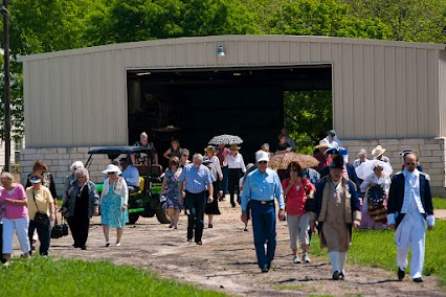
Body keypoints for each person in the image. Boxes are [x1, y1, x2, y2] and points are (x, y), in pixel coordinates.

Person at [308, 155, 361, 280]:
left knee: (343, 246)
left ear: (342, 171)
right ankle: (335, 270)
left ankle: (341, 269)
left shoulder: (350, 186)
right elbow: (315, 204)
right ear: (330, 170)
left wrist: (356, 219)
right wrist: (312, 219)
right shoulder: (321, 185)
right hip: (327, 221)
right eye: (334, 170)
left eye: (339, 170)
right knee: (333, 245)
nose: (336, 172)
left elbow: (356, 204)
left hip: (344, 221)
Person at [387, 153, 434, 283]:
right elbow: (391, 200)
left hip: (419, 216)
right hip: (403, 217)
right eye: (408, 163)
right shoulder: (397, 178)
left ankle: (416, 273)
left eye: (413, 163)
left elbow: (428, 200)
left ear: (417, 163)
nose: (410, 166)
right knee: (402, 247)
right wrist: (391, 219)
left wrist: (430, 219)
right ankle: (401, 266)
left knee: (419, 246)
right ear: (404, 163)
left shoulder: (424, 178)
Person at [240, 151, 285, 273]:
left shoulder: (273, 175)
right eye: (261, 162)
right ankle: (262, 263)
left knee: (271, 236)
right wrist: (243, 211)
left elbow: (279, 192)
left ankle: (269, 259)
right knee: (258, 236)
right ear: (257, 163)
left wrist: (282, 208)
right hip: (256, 207)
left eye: (265, 162)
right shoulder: (250, 177)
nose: (263, 164)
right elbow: (245, 195)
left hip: (270, 206)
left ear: (268, 162)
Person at [282, 163, 315, 264]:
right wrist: (291, 184)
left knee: (304, 231)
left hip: (303, 211)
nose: (293, 173)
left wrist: (310, 194)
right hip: (291, 211)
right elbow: (283, 194)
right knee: (293, 233)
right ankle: (295, 255)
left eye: (295, 170)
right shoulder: (286, 182)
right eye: (291, 170)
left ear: (299, 171)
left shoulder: (304, 181)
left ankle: (305, 254)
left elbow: (312, 188)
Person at [178, 154, 213, 245]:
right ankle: (190, 235)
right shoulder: (187, 168)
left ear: (201, 162)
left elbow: (209, 183)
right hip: (189, 195)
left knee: (200, 219)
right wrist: (181, 191)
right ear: (193, 160)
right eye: (196, 161)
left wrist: (211, 195)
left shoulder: (205, 170)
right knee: (191, 215)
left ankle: (198, 239)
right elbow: (181, 180)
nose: (197, 163)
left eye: (199, 162)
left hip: (201, 195)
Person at [62, 168, 99, 250]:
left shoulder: (91, 185)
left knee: (84, 227)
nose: (81, 179)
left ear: (86, 177)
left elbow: (95, 197)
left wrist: (96, 207)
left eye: (83, 177)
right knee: (74, 226)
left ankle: (82, 243)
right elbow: (67, 196)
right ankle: (77, 242)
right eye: (79, 177)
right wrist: (64, 207)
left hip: (86, 209)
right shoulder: (73, 185)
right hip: (74, 208)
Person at [0, 173, 30, 263]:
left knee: (22, 236)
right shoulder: (2, 191)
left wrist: (12, 201)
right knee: (6, 237)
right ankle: (7, 258)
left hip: (20, 216)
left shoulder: (19, 187)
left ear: (10, 180)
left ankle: (26, 254)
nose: (3, 185)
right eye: (2, 182)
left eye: (5, 182)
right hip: (7, 217)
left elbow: (25, 202)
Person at [100, 164, 129, 247]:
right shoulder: (106, 181)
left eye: (113, 173)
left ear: (117, 173)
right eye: (109, 173)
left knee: (119, 222)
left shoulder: (121, 180)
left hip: (118, 203)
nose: (111, 174)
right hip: (106, 203)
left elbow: (125, 193)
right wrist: (100, 203)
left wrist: (125, 203)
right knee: (105, 221)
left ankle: (118, 241)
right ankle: (107, 240)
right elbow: (103, 193)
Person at [26, 176, 55, 256]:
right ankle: (28, 252)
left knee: (45, 237)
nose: (35, 184)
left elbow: (51, 202)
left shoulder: (45, 190)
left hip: (43, 217)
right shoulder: (28, 190)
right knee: (28, 235)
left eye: (36, 183)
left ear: (40, 182)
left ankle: (43, 253)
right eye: (33, 183)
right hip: (31, 217)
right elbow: (25, 201)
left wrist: (52, 213)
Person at [359, 161, 391, 229]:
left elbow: (388, 187)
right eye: (377, 169)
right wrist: (370, 185)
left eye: (380, 168)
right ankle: (370, 225)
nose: (379, 170)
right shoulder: (370, 177)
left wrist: (385, 191)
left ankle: (383, 225)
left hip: (383, 196)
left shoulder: (386, 177)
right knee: (369, 210)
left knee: (383, 209)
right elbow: (362, 187)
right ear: (374, 169)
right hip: (372, 197)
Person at [204, 146, 223, 228]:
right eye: (208, 151)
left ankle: (210, 222)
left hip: (213, 181)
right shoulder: (204, 158)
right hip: (204, 183)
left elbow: (218, 168)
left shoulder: (215, 159)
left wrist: (221, 175)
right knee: (204, 202)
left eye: (211, 151)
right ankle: (201, 221)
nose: (209, 152)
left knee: (211, 202)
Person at [162, 157, 182, 229]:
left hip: (178, 192)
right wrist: (162, 191)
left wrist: (184, 190)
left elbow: (184, 182)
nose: (174, 165)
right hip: (169, 192)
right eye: (172, 163)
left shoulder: (181, 171)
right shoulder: (168, 171)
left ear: (178, 164)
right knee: (169, 208)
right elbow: (164, 182)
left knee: (177, 208)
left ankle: (175, 224)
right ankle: (172, 221)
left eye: (175, 163)